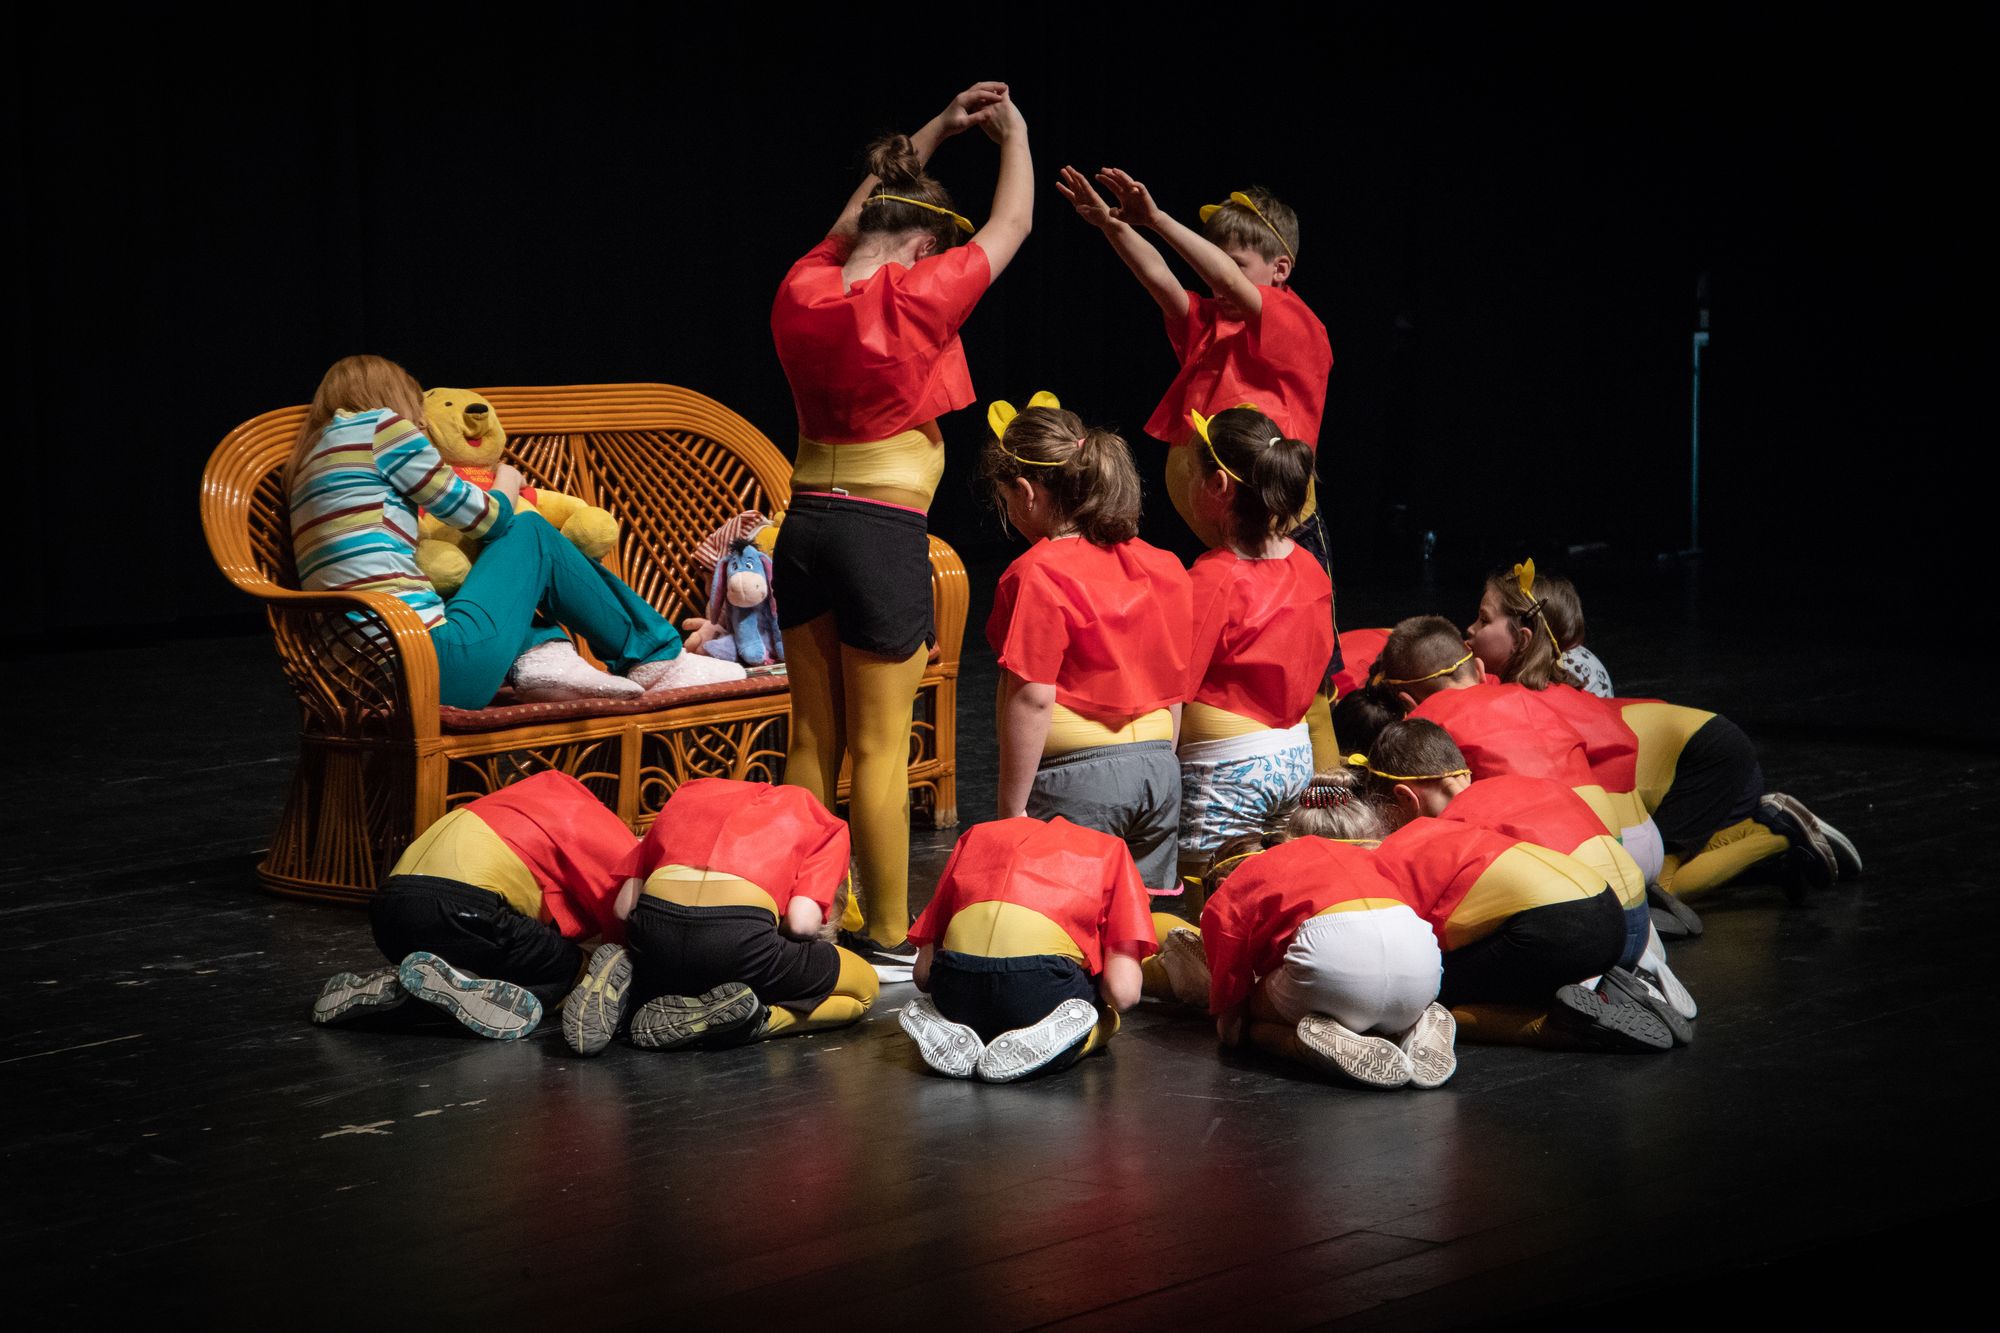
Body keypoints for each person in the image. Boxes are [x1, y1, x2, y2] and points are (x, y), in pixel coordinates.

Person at [768, 83, 1033, 969]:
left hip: (803, 529)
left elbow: (853, 218)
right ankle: (884, 933)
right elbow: (1014, 223)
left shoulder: (802, 288)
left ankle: (805, 908)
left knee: (814, 737)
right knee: (882, 748)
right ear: (923, 247)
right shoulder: (919, 294)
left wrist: (937, 130)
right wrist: (1012, 137)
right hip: (877, 538)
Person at [1057, 168, 1343, 767]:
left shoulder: (1297, 325)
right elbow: (1161, 280)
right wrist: (1111, 225)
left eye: (1233, 262)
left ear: (1280, 269)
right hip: (1223, 529)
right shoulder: (1215, 323)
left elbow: (1229, 285)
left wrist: (1158, 218)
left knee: (1306, 675)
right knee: (1233, 656)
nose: (1216, 275)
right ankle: (1238, 769)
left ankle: (1326, 790)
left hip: (1277, 525)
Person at [287, 354, 739, 710]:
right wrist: (506, 480)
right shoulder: (380, 428)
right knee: (528, 531)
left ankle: (543, 657)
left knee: (474, 572)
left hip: (361, 679)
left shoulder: (307, 465)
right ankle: (656, 658)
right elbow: (487, 519)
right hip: (429, 665)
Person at [1467, 564, 1858, 904]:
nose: (1469, 629)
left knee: (1656, 887)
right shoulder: (1539, 690)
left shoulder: (1538, 700)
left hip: (1708, 763)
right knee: (1661, 867)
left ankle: (1777, 833)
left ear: (1523, 638)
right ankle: (1776, 852)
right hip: (1704, 758)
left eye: (1484, 620)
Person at [1358, 719, 1695, 1042]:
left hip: (1576, 932)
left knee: (1431, 988)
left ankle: (1556, 1021)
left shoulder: (1455, 827)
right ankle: (1628, 977)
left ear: (1405, 798)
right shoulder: (1525, 783)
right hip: (1634, 917)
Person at [980, 393, 1192, 892]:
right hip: (1160, 775)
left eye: (1006, 499)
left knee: (1064, 918)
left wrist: (1011, 811)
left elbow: (1033, 697)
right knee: (1136, 920)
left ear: (1026, 493)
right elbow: (1173, 687)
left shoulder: (1038, 571)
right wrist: (1157, 767)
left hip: (1079, 783)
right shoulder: (1164, 566)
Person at [560, 778, 880, 1055]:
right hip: (739, 941)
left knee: (678, 966)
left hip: (654, 936)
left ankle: (634, 986)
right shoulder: (821, 821)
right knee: (864, 988)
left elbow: (623, 908)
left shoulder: (688, 795)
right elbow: (802, 924)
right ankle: (758, 1019)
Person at [311, 772, 633, 1039]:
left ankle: (405, 992)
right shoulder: (582, 814)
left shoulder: (512, 804)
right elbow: (626, 916)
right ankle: (465, 1000)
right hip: (460, 909)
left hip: (388, 916)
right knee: (571, 966)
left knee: (510, 955)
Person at [1193, 771, 1455, 1089]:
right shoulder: (1367, 860)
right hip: (1421, 963)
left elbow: (1226, 942)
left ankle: (1304, 1046)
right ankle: (1413, 1024)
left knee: (1248, 1023)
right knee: (1370, 1001)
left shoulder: (1256, 869)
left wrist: (1231, 1019)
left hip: (1332, 957)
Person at [1175, 407, 1333, 902]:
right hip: (1293, 758)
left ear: (1219, 485)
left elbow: (1176, 688)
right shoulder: (1310, 568)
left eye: (1194, 475)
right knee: (1273, 896)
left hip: (1226, 769)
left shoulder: (1214, 576)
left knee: (1209, 908)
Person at [899, 817, 1154, 1082]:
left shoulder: (977, 836)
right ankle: (1065, 1044)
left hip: (955, 989)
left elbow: (923, 976)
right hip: (1040, 990)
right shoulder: (1110, 851)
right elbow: (1123, 994)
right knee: (1105, 1016)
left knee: (970, 993)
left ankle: (945, 1022)